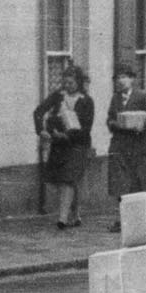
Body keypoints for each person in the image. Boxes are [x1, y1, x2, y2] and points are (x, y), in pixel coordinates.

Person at [31, 64, 94, 229]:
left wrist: (68, 136)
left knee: (68, 179)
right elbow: (38, 112)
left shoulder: (87, 101)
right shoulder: (57, 97)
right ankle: (75, 214)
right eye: (65, 83)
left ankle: (62, 219)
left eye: (71, 83)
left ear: (79, 83)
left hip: (78, 145)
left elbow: (86, 128)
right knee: (65, 180)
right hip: (59, 145)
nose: (67, 86)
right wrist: (41, 130)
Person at [104, 62, 146, 230]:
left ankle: (139, 221)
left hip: (139, 148)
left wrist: (143, 122)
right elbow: (109, 119)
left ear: (132, 79)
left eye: (124, 77)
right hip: (120, 147)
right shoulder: (115, 98)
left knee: (139, 184)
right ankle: (123, 220)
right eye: (117, 78)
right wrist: (117, 124)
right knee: (120, 185)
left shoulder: (142, 96)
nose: (120, 81)